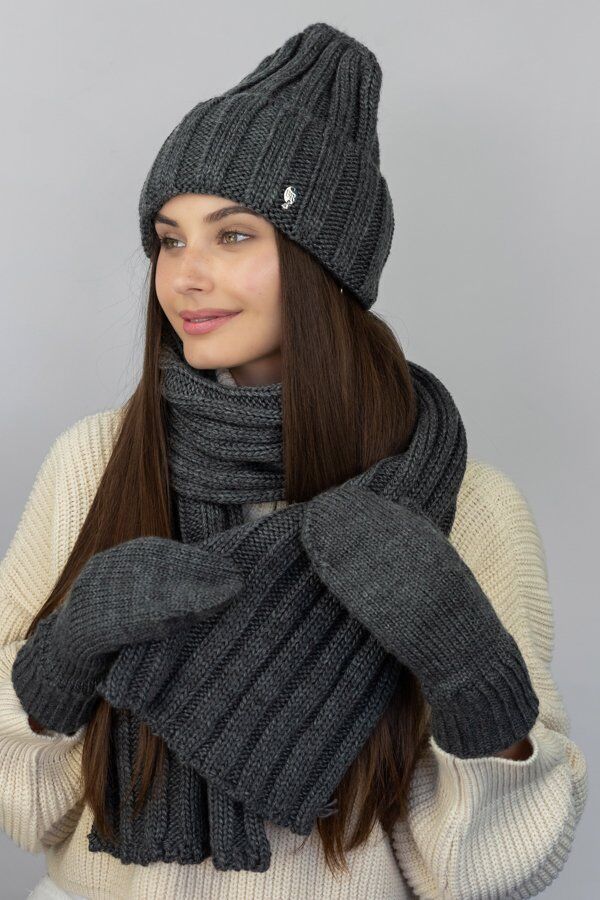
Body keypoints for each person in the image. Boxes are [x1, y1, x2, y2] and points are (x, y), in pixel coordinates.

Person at [1, 21, 587, 900]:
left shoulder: (467, 506)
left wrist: (474, 678)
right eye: (169, 238)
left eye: (233, 235)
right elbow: (25, 813)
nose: (185, 276)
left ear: (324, 264)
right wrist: (62, 657)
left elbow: (488, 874)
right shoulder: (95, 463)